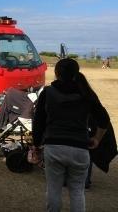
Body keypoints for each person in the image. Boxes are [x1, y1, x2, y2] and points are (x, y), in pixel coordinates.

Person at [32, 58, 110, 212]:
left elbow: (38, 122)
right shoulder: (86, 93)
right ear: (76, 73)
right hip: (80, 148)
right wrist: (97, 139)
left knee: (53, 189)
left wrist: (36, 145)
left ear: (56, 73)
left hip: (53, 147)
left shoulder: (47, 92)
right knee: (77, 191)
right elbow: (104, 119)